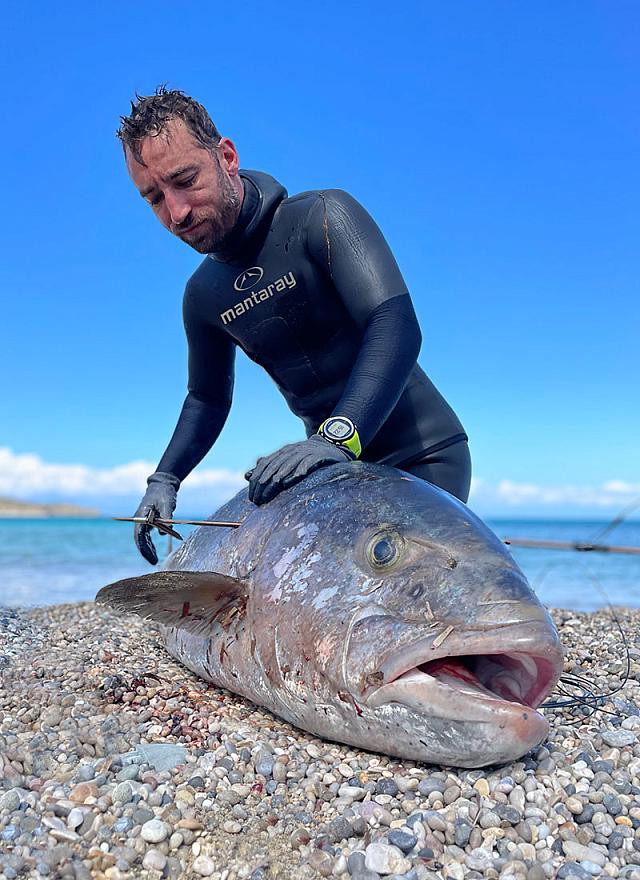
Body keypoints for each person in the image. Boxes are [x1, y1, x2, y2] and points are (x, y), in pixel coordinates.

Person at [118, 88, 471, 565]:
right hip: (329, 473)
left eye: (185, 180)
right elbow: (207, 398)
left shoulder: (321, 217)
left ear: (226, 156)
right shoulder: (203, 295)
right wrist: (164, 480)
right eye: (155, 198)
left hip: (421, 458)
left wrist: (335, 438)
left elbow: (394, 324)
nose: (176, 212)